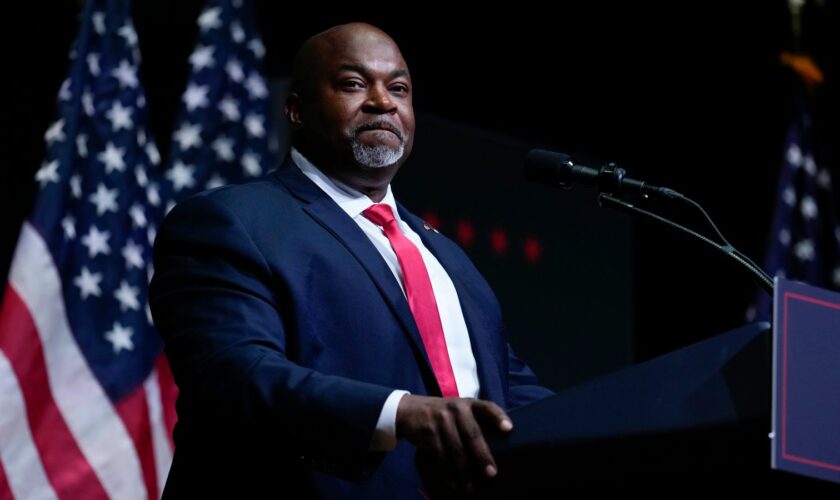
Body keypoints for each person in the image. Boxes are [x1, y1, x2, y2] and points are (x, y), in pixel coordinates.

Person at [149, 22, 552, 499]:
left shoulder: (445, 257)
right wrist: (400, 413)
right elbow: (236, 377)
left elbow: (515, 401)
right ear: (297, 110)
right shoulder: (231, 222)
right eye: (354, 84)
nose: (383, 102)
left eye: (398, 88)